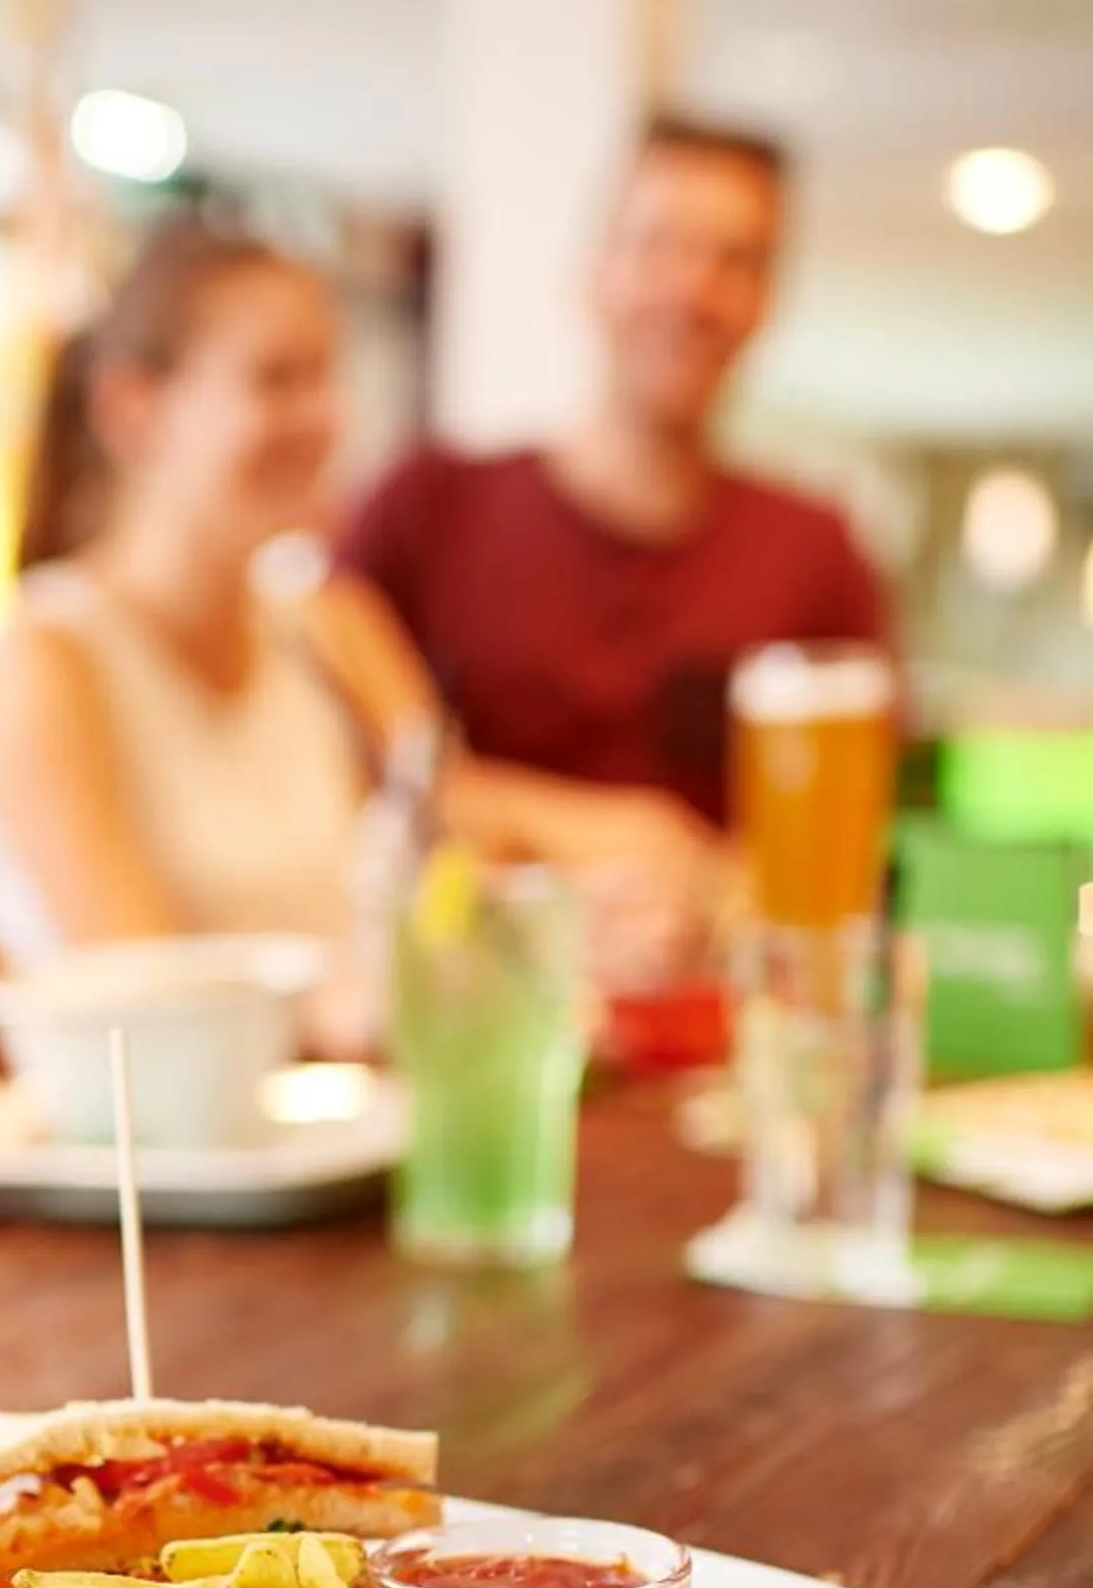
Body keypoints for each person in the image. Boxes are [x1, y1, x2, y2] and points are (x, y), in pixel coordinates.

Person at [0, 222, 698, 962]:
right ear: (132, 410)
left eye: (325, 377)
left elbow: (460, 827)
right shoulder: (45, 662)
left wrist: (638, 858)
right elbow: (145, 989)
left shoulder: (328, 625)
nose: (322, 418)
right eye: (277, 379)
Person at [336, 116, 888, 959]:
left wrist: (699, 886)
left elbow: (846, 855)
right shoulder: (429, 505)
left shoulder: (818, 548)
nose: (694, 292)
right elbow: (344, 765)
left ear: (768, 302)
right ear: (594, 271)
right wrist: (609, 832)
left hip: (714, 1025)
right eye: (660, 246)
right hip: (480, 1001)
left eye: (736, 260)